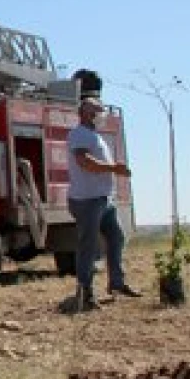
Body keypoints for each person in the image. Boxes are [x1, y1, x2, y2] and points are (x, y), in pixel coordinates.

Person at [67, 69, 141, 311]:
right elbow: (84, 162)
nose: (101, 114)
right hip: (87, 200)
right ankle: (85, 292)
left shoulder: (93, 135)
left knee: (116, 237)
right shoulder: (79, 135)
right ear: (86, 113)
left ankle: (117, 283)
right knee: (88, 245)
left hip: (102, 199)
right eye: (97, 111)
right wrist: (114, 168)